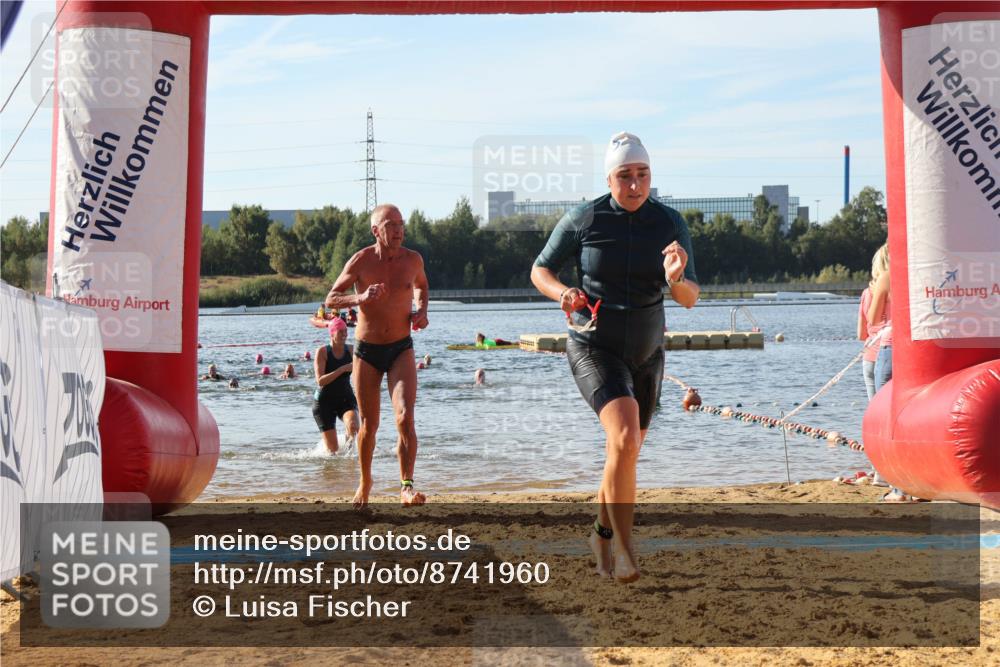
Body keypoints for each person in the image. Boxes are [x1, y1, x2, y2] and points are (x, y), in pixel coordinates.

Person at [530, 131, 699, 583]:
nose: (635, 185)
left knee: (625, 452)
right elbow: (539, 269)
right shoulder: (585, 218)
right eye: (625, 176)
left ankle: (600, 534)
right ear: (609, 177)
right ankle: (626, 553)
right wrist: (562, 291)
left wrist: (676, 276)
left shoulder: (669, 223)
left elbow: (688, 298)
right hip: (594, 345)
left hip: (648, 353)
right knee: (623, 440)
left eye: (643, 175)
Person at [324, 204, 430, 508]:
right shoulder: (361, 260)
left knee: (405, 417)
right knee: (369, 425)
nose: (398, 230)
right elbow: (331, 298)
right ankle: (365, 481)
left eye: (401, 224)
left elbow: (421, 286)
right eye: (390, 225)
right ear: (376, 231)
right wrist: (360, 297)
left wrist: (421, 311)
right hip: (367, 352)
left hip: (401, 347)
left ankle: (406, 486)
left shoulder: (413, 260)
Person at [313, 318, 359, 454]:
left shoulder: (351, 350)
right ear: (332, 334)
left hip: (345, 398)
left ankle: (350, 464)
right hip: (323, 403)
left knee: (353, 426)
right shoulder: (322, 352)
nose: (345, 334)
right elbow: (320, 381)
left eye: (346, 331)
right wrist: (343, 368)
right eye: (341, 332)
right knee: (332, 451)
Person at [857, 244, 889, 400]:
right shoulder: (897, 288)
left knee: (874, 408)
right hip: (891, 352)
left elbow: (861, 334)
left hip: (870, 355)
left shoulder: (866, 294)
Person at [867, 245, 892, 394]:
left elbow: (873, 318)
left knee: (882, 400)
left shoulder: (886, 277)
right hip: (916, 343)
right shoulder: (917, 272)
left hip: (891, 344)